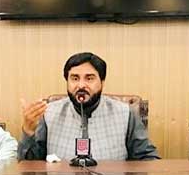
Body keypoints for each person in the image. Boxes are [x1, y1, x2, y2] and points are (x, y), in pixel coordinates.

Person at [18, 52, 159, 161]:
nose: (81, 85)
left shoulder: (125, 113)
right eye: (74, 78)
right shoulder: (48, 113)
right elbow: (29, 166)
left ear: (102, 82)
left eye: (89, 78)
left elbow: (148, 158)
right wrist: (28, 131)